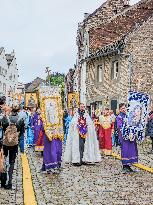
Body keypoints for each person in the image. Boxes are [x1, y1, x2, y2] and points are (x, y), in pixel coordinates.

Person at [116, 103, 138, 173]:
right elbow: (120, 127)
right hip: (124, 137)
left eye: (125, 108)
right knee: (125, 150)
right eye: (122, 108)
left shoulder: (128, 116)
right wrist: (126, 130)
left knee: (131, 150)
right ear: (120, 109)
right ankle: (124, 166)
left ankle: (129, 165)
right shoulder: (119, 117)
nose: (124, 109)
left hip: (130, 136)